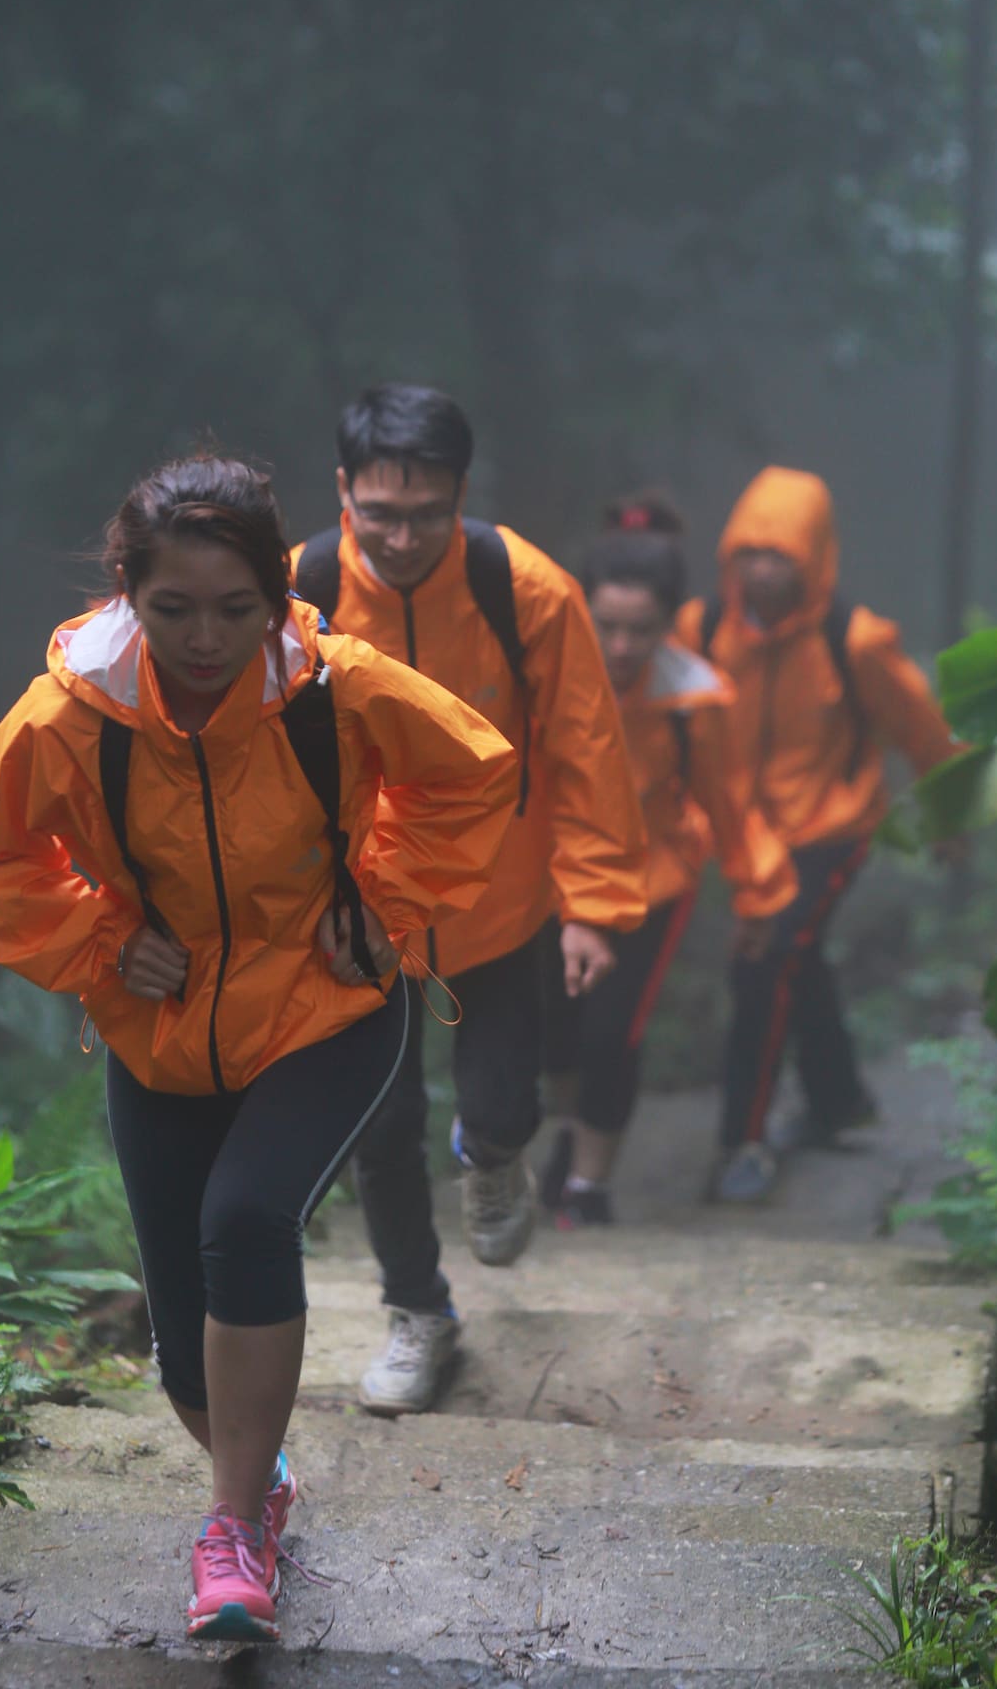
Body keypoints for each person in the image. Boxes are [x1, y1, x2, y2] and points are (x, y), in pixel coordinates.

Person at [0, 456, 517, 1644]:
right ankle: (258, 1473)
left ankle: (235, 1532)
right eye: (174, 608)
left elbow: (472, 774)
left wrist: (383, 895)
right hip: (159, 1035)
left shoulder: (332, 690)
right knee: (183, 1345)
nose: (206, 637)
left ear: (277, 595)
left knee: (248, 1220)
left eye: (235, 609)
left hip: (327, 1006)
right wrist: (99, 937)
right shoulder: (71, 713)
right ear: (126, 596)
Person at [291, 385, 646, 1416]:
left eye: (426, 513)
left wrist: (593, 904)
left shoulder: (524, 588)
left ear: (460, 498)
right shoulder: (297, 592)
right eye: (380, 512)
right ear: (345, 492)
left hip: (498, 902)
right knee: (381, 1120)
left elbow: (586, 749)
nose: (401, 537)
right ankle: (419, 1311)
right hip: (362, 916)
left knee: (504, 1105)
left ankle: (493, 1158)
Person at [676, 466, 963, 1204]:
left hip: (831, 827)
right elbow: (665, 727)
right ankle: (839, 1100)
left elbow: (922, 731)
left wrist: (949, 819)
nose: (763, 572)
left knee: (766, 962)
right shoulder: (700, 630)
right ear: (729, 555)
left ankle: (742, 1140)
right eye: (751, 554)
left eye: (782, 557)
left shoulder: (854, 641)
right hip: (746, 836)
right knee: (797, 960)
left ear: (815, 560)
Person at [539, 495, 797, 1225]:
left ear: (671, 623)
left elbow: (730, 803)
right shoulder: (545, 680)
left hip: (652, 881)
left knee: (613, 1030)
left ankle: (589, 1187)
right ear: (580, 611)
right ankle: (569, 1133)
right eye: (607, 627)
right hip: (554, 881)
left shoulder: (693, 698)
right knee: (555, 1030)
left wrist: (758, 896)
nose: (621, 647)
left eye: (641, 631)